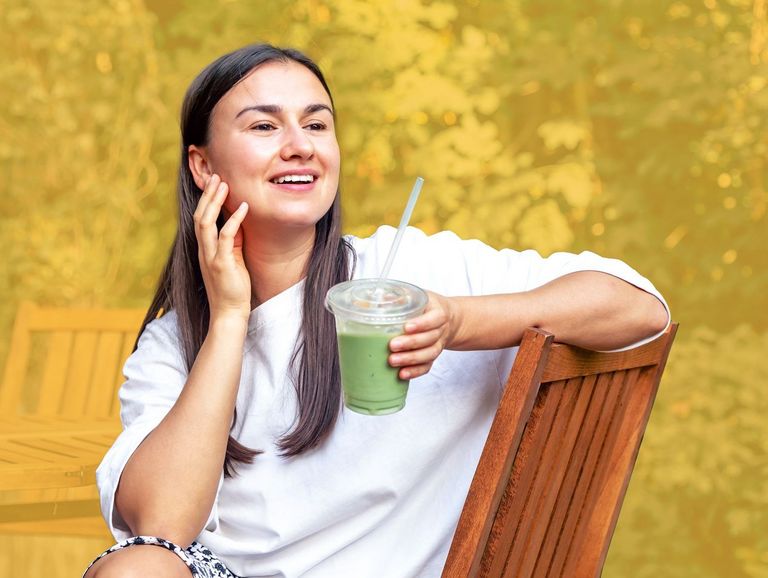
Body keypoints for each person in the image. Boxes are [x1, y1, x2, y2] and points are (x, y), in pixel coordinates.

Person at [82, 43, 669, 578]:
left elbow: (639, 308)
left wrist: (459, 321)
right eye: (264, 125)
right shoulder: (173, 344)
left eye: (317, 124)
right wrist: (231, 317)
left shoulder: (410, 272)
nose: (301, 145)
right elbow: (160, 529)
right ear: (204, 167)